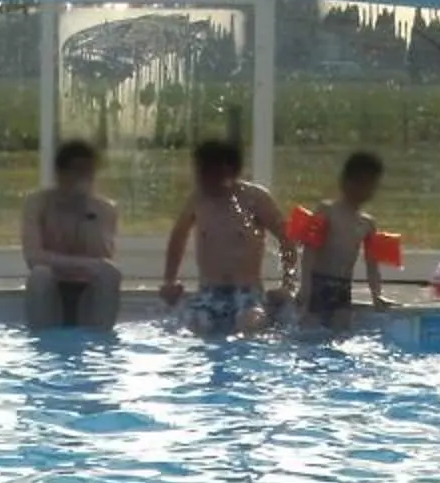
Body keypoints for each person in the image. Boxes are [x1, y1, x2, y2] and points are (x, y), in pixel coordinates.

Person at [162, 138, 296, 337]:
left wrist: (288, 286)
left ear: (227, 170)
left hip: (247, 293)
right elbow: (177, 239)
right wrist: (169, 281)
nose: (200, 179)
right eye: (198, 172)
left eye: (205, 172)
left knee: (250, 322)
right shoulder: (197, 200)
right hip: (209, 293)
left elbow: (287, 239)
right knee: (196, 326)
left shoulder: (254, 198)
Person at [21, 139, 123, 331]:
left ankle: (101, 343)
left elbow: (103, 256)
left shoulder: (105, 209)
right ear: (60, 173)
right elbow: (32, 257)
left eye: (87, 172)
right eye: (75, 171)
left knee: (111, 274)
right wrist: (84, 263)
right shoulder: (37, 203)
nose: (81, 178)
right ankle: (42, 341)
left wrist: (85, 212)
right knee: (40, 275)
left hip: (87, 286)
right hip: (52, 282)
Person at [298, 151, 394, 333]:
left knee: (341, 331)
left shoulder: (367, 223)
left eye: (368, 184)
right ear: (344, 181)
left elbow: (372, 264)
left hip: (342, 288)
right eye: (358, 182)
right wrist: (305, 287)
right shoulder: (326, 210)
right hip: (319, 283)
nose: (361, 189)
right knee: (309, 329)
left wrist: (377, 295)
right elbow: (309, 250)